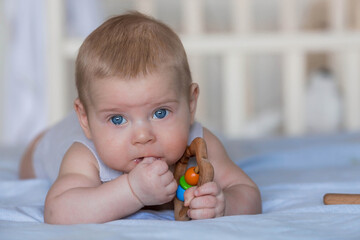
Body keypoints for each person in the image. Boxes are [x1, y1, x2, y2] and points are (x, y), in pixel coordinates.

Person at [19, 12, 261, 224]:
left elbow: (247, 191)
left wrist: (225, 204)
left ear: (190, 104)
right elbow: (56, 211)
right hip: (55, 141)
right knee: (31, 160)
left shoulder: (200, 144)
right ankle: (46, 138)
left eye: (160, 113)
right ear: (85, 119)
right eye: (117, 119)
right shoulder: (85, 157)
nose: (143, 136)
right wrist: (132, 191)